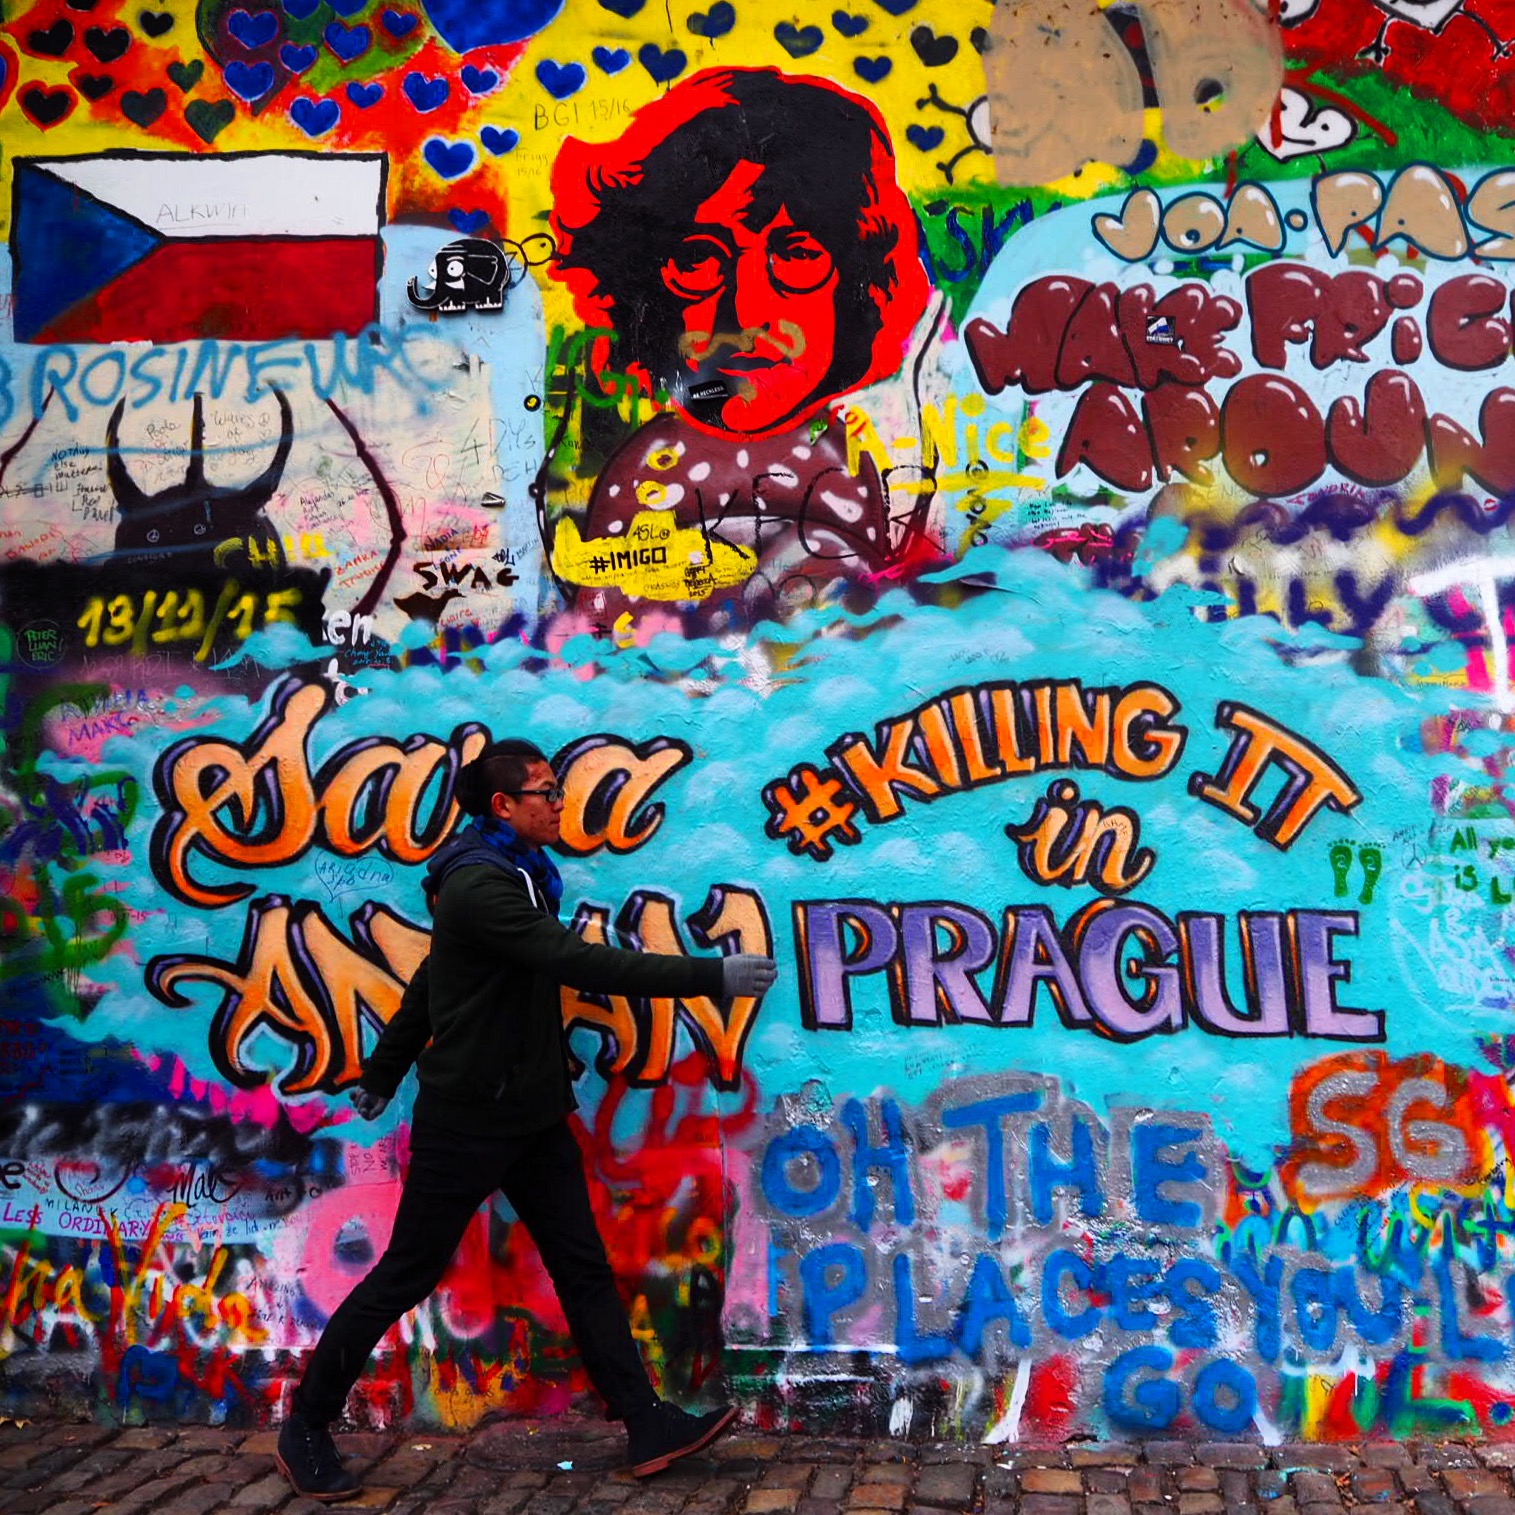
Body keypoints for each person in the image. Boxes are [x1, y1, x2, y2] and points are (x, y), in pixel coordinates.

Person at [276, 738, 778, 1502]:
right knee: (406, 1272)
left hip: (533, 1112)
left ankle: (645, 1420)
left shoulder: (518, 873)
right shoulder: (483, 885)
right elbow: (579, 963)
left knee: (581, 1265)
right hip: (469, 1119)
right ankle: (305, 1423)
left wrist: (382, 1071)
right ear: (502, 804)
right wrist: (711, 974)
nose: (558, 802)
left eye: (555, 789)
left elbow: (432, 982)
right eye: (544, 791)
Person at [547, 68, 933, 614]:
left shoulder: (867, 450)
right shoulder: (647, 477)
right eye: (699, 259)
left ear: (857, 281)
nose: (746, 309)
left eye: (796, 255)